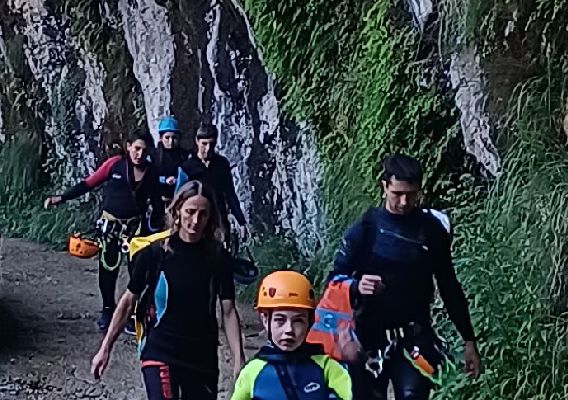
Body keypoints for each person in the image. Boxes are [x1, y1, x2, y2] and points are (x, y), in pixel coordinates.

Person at [328, 154, 480, 400]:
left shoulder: (431, 230)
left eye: (411, 194)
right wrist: (356, 287)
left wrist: (469, 340)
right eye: (397, 193)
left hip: (415, 337)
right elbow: (333, 280)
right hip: (368, 337)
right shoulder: (366, 228)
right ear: (384, 186)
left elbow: (449, 287)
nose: (403, 201)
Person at [91, 181, 246, 400]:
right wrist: (105, 348)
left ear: (210, 218)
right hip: (160, 349)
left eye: (203, 214)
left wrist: (239, 359)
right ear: (177, 211)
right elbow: (128, 302)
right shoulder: (154, 254)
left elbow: (228, 310)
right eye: (190, 212)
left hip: (202, 354)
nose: (195, 221)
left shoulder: (218, 258)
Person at [44, 136, 168, 333]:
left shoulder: (151, 173)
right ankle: (108, 309)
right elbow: (89, 183)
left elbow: (157, 203)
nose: (139, 154)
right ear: (128, 147)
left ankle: (131, 313)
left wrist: (162, 230)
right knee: (108, 269)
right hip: (110, 226)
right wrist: (62, 197)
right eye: (136, 149)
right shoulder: (115, 165)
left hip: (135, 229)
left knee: (138, 271)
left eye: (144, 151)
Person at [230, 271, 353, 400]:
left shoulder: (327, 368)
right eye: (280, 320)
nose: (289, 329)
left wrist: (355, 362)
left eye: (298, 321)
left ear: (310, 322)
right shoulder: (252, 372)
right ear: (265, 320)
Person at [176, 123, 248, 237]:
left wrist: (241, 221)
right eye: (204, 144)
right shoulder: (187, 167)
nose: (208, 149)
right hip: (195, 220)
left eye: (212, 144)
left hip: (219, 218)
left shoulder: (222, 164)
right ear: (197, 141)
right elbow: (178, 197)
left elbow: (230, 194)